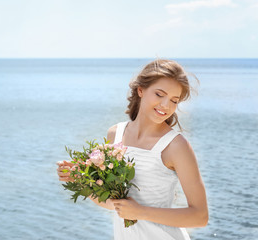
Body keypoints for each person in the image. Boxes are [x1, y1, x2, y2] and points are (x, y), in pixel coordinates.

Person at [57, 59, 208, 240]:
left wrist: (141, 212)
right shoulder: (115, 134)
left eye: (174, 101)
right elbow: (115, 204)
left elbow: (200, 216)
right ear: (141, 90)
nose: (166, 106)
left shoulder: (176, 146)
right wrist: (81, 180)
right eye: (159, 94)